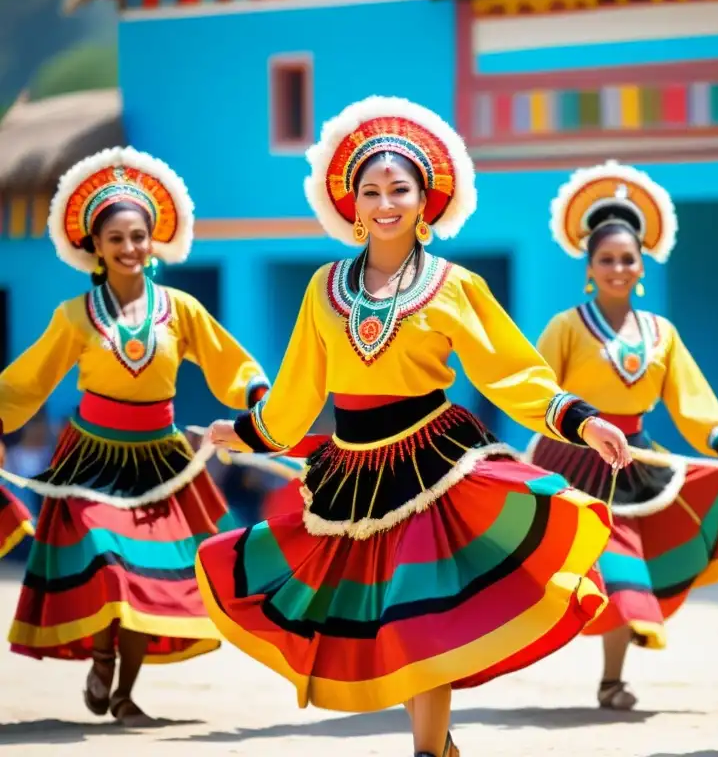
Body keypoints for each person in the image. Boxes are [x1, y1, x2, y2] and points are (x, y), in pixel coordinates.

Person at [196, 96, 631, 757]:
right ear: (351, 202)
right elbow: (298, 391)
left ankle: (428, 751)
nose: (384, 202)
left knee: (419, 619)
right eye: (370, 190)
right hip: (352, 472)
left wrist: (584, 420)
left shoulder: (454, 284)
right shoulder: (323, 287)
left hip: (434, 465)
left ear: (426, 199)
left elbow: (513, 373)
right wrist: (248, 432)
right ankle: (439, 747)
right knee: (377, 621)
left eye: (399, 188)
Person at [0, 148, 270, 726]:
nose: (129, 248)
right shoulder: (75, 316)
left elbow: (231, 364)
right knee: (106, 554)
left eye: (138, 236)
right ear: (94, 247)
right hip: (93, 459)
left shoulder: (181, 309)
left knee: (148, 577)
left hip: (160, 462)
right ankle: (100, 654)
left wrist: (255, 394)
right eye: (116, 238)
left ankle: (124, 693)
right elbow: (28, 380)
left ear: (153, 241)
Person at [527, 160, 718, 710]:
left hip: (635, 461)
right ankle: (597, 661)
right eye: (606, 259)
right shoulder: (567, 327)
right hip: (573, 459)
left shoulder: (661, 334)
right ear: (589, 268)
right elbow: (536, 390)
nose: (618, 267)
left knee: (633, 566)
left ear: (642, 266)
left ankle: (611, 680)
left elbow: (690, 399)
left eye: (627, 259)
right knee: (606, 568)